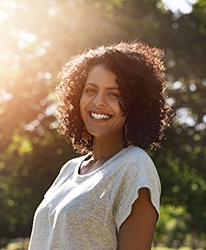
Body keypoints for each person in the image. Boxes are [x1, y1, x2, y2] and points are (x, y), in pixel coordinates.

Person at [28, 41, 171, 250]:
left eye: (114, 94)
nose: (98, 101)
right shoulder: (68, 170)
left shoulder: (135, 166)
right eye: (90, 90)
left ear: (134, 104)